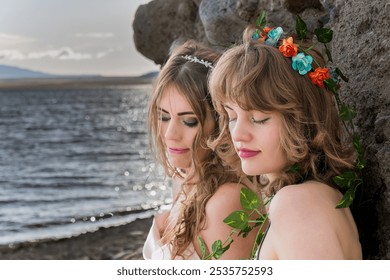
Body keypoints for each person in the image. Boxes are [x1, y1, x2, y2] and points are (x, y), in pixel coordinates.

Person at [208, 23, 362, 259]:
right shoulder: (311, 197)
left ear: (302, 121)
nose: (238, 133)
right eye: (231, 116)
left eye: (258, 118)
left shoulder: (298, 205)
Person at [143, 40, 260, 260]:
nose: (170, 134)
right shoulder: (184, 180)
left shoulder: (227, 201)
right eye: (164, 117)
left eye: (189, 121)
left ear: (220, 123)